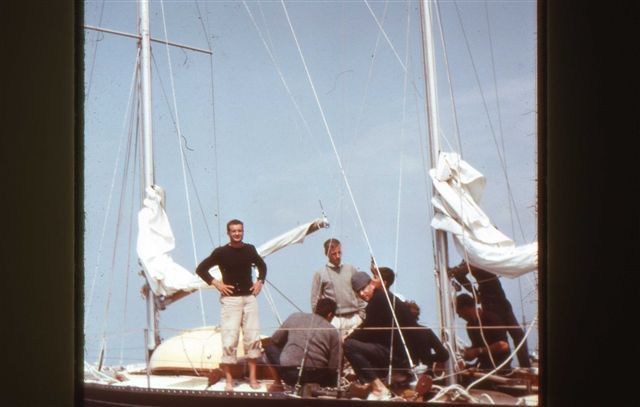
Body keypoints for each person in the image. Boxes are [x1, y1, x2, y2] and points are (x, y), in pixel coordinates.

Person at [196, 219, 267, 391]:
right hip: (230, 301)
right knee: (229, 339)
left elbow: (262, 265)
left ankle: (252, 379)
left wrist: (259, 282)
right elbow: (201, 269)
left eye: (239, 231)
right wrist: (217, 284)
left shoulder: (250, 249)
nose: (237, 234)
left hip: (249, 299)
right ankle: (228, 381)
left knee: (252, 339)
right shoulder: (221, 252)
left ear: (243, 232)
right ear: (228, 233)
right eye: (233, 231)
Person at [343, 270, 421, 400]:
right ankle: (388, 382)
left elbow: (367, 329)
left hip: (397, 356)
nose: (362, 294)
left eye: (363, 289)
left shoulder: (377, 300)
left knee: (349, 345)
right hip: (407, 356)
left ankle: (379, 388)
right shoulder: (386, 297)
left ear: (371, 284)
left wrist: (348, 337)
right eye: (358, 292)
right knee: (362, 345)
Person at [449, 261, 531, 368]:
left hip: (496, 301)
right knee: (516, 335)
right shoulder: (477, 259)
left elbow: (459, 274)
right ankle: (524, 366)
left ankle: (525, 367)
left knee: (518, 335)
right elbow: (459, 274)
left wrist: (474, 292)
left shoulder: (478, 259)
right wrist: (474, 292)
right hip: (494, 301)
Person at [263, 298, 341, 391]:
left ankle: (278, 384)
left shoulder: (295, 317)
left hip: (290, 375)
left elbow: (275, 340)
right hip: (317, 377)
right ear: (330, 315)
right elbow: (333, 367)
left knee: (269, 347)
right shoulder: (333, 331)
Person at [310, 238, 366, 337]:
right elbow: (315, 302)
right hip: (335, 320)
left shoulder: (351, 269)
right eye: (334, 254)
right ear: (327, 254)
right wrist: (322, 322)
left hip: (355, 317)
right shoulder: (320, 274)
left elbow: (361, 293)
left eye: (339, 252)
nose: (338, 256)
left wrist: (362, 315)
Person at [455, 293, 511, 372]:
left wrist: (477, 351)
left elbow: (504, 346)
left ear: (465, 308)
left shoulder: (490, 318)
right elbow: (478, 348)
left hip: (499, 368)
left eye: (459, 313)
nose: (460, 316)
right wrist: (467, 353)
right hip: (483, 367)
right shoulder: (470, 325)